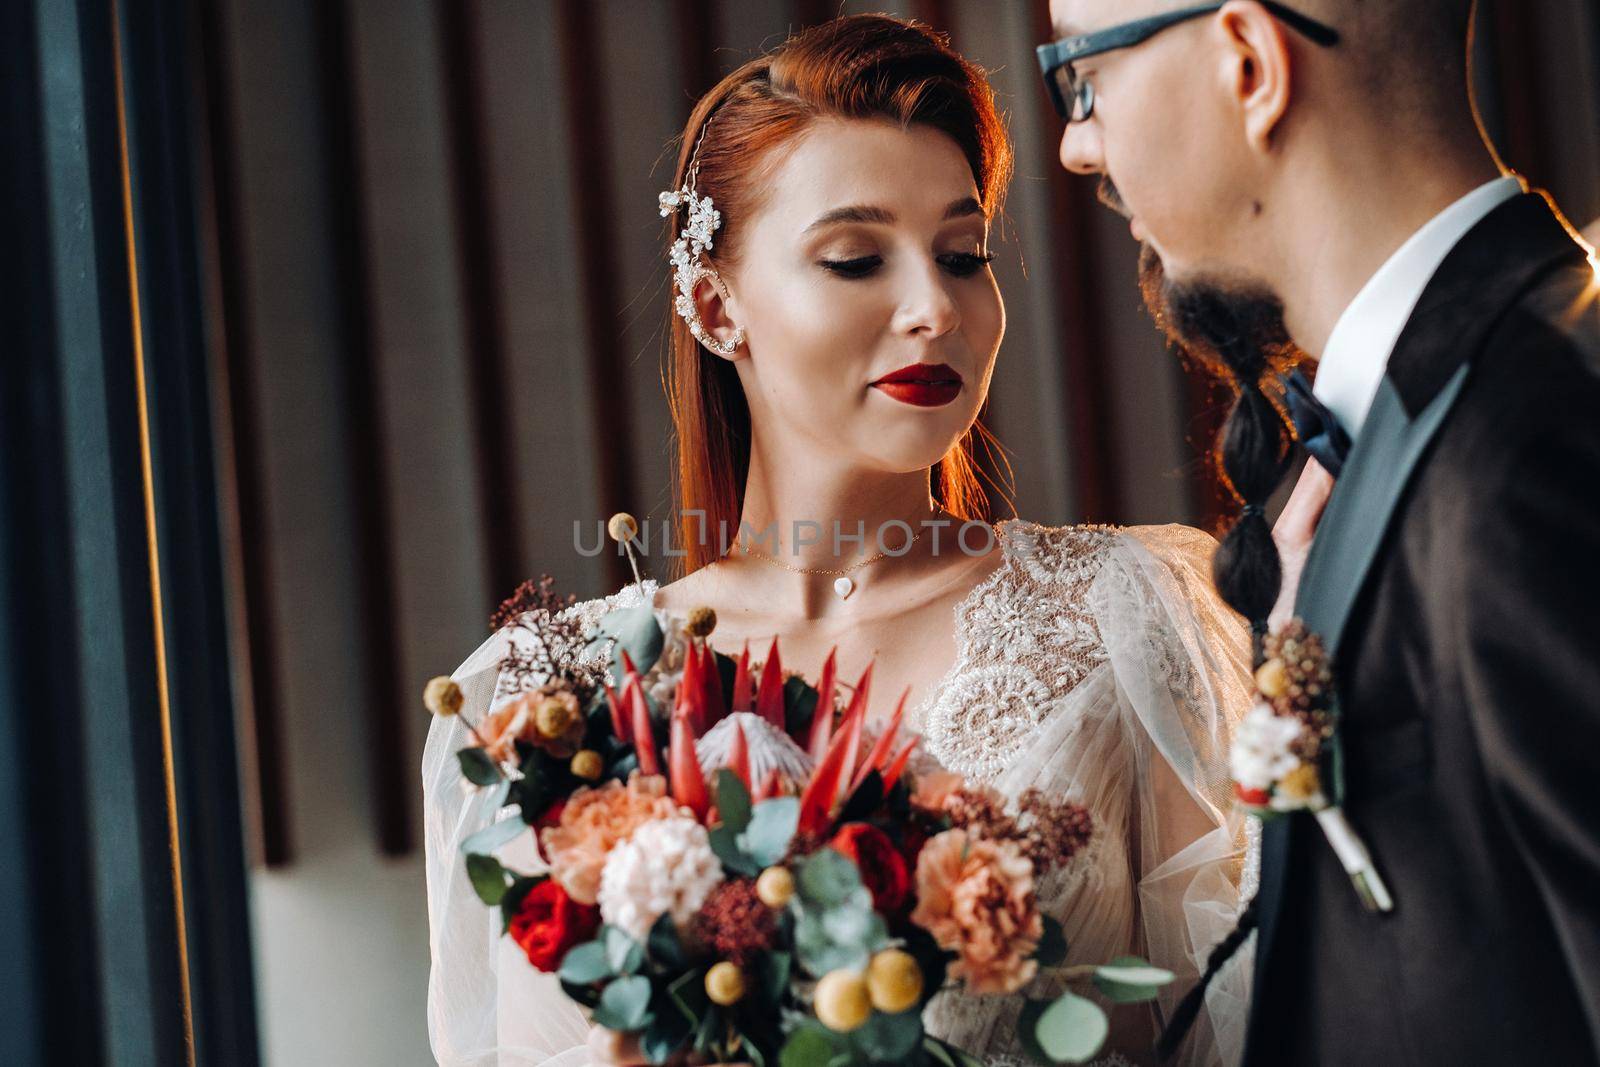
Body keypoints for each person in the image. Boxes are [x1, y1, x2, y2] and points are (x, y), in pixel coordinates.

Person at [425, 15, 1256, 1067]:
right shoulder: (542, 700)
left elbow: (1244, 1023)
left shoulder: (1131, 611)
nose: (932, 308)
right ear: (715, 304)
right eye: (856, 258)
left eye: (963, 255)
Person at [1041, 0, 1600, 1063]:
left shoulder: (1534, 445)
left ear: (1250, 62)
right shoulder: (1412, 431)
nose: (1077, 144)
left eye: (1080, 76)